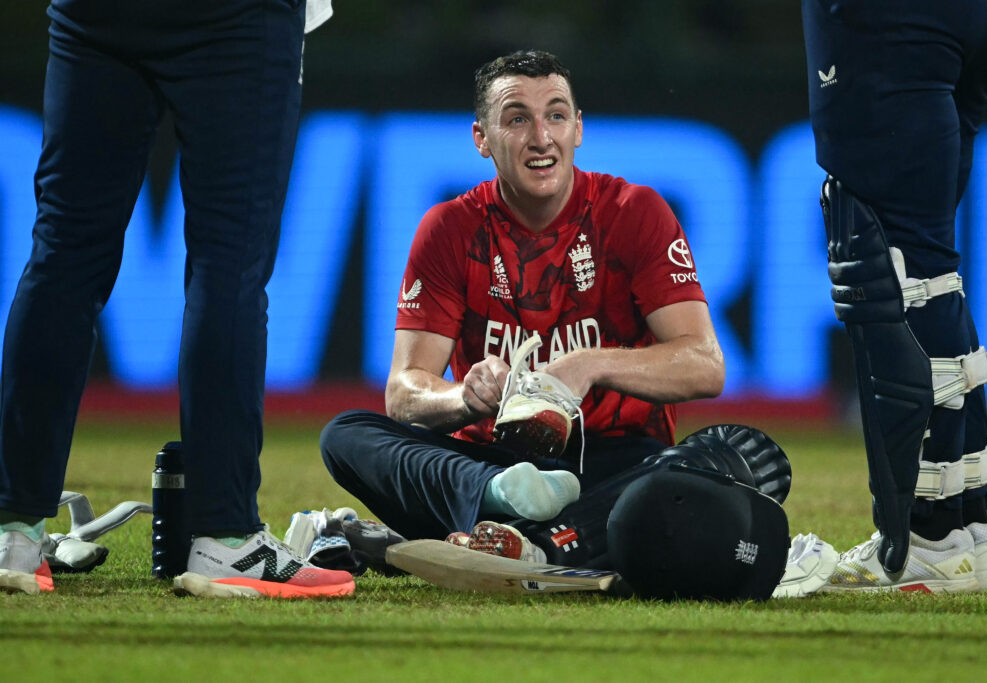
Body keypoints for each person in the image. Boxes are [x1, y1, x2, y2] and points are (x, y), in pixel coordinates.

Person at [318, 50, 791, 600]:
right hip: (490, 466)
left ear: (578, 129)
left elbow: (706, 366)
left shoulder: (633, 212)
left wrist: (590, 365)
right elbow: (403, 393)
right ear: (481, 138)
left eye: (557, 116)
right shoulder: (449, 229)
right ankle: (515, 514)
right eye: (517, 118)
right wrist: (464, 397)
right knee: (346, 435)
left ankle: (517, 543)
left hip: (613, 462)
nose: (541, 138)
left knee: (743, 453)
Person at [0, 0, 354, 599]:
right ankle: (226, 538)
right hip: (239, 16)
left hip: (95, 14)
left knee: (64, 253)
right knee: (229, 263)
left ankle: (13, 531)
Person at [801, 0, 987, 592]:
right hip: (982, 16)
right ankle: (970, 527)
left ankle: (928, 537)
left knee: (889, 264)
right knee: (927, 267)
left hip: (889, 18)